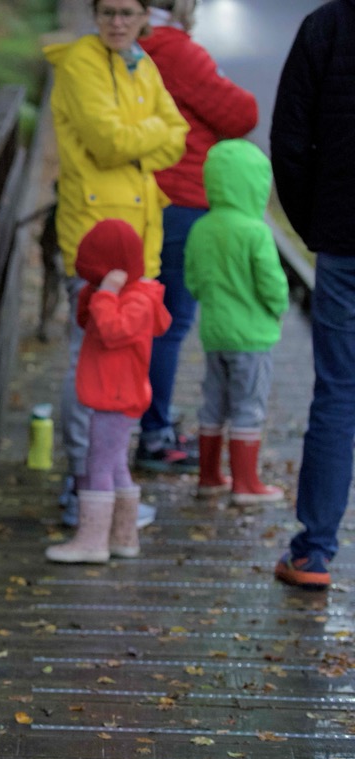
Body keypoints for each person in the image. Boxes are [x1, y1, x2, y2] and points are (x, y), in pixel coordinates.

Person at [43, 0, 188, 528]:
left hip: (138, 239)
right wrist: (146, 139)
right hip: (96, 241)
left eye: (128, 12)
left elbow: (179, 135)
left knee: (122, 367)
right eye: (107, 11)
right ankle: (82, 486)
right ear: (95, 13)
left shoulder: (139, 61)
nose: (117, 22)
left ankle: (102, 483)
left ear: (145, 15)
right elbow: (107, 144)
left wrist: (138, 143)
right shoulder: (82, 61)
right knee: (89, 363)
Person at [135, 0, 258, 473]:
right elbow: (241, 113)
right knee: (169, 321)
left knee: (147, 313)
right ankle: (155, 435)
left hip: (143, 196)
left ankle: (147, 423)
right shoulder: (178, 50)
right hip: (182, 199)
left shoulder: (132, 47)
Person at [270, 0, 355, 592]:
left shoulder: (325, 26)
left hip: (344, 242)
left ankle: (314, 554)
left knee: (339, 395)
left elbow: (290, 140)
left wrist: (313, 225)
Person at [46, 219, 171, 563]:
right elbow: (87, 321)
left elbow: (112, 331)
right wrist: (96, 291)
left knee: (98, 465)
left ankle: (92, 543)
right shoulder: (122, 295)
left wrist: (105, 294)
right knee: (115, 465)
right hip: (112, 394)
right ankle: (123, 538)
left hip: (117, 397)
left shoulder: (137, 301)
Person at [184, 139, 288, 505]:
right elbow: (271, 283)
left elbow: (193, 280)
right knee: (248, 406)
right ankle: (246, 484)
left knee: (213, 404)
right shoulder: (255, 231)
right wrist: (277, 307)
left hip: (214, 334)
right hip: (251, 337)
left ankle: (209, 477)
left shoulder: (201, 228)